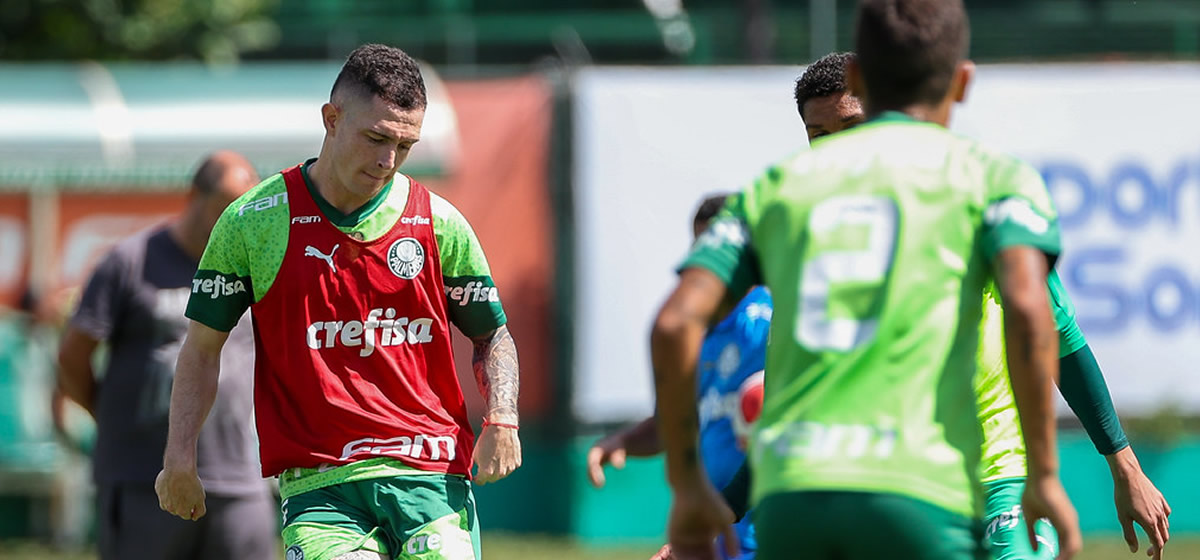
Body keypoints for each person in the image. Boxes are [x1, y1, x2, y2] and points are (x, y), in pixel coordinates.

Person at [650, 0, 1081, 558]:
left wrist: (690, 493)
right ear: (962, 81)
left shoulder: (777, 191)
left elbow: (674, 324)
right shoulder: (984, 179)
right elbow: (1031, 312)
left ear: (860, 79)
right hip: (918, 489)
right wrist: (1046, 473)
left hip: (794, 496)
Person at [790, 50, 1173, 560]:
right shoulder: (812, 240)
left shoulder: (981, 204)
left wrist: (1124, 465)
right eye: (820, 136)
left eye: (852, 127)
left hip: (1000, 480)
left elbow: (1059, 338)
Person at [154, 44, 522, 560]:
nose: (387, 161)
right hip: (320, 489)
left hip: (431, 478)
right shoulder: (254, 221)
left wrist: (503, 417)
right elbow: (201, 348)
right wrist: (179, 458)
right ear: (331, 118)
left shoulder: (439, 222)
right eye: (376, 137)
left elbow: (492, 334)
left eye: (405, 145)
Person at [56, 151, 276, 560]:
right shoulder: (130, 262)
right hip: (145, 480)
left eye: (244, 210)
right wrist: (108, 414)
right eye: (225, 207)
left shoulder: (254, 269)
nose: (235, 221)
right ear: (195, 196)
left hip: (239, 479)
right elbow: (72, 355)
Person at [587, 193, 770, 560]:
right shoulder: (696, 333)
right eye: (701, 247)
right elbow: (677, 418)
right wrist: (623, 440)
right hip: (711, 533)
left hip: (764, 532)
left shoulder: (768, 319)